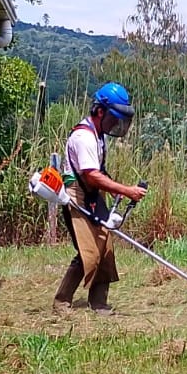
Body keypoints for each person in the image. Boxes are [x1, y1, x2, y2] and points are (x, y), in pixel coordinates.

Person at [53, 82, 147, 315]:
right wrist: (127, 190)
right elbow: (91, 176)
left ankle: (99, 303)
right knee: (89, 251)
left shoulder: (98, 136)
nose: (115, 124)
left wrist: (114, 188)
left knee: (105, 249)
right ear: (100, 111)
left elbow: (98, 172)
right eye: (113, 118)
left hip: (92, 193)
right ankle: (61, 302)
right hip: (77, 195)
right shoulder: (84, 137)